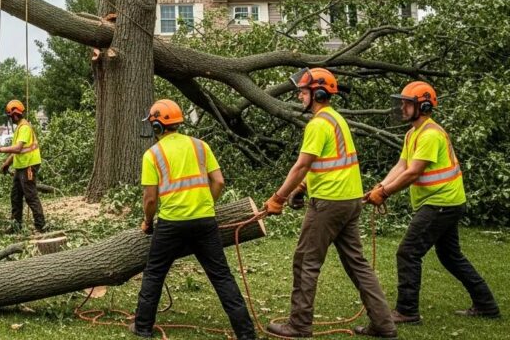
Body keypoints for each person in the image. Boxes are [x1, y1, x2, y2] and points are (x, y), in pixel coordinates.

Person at [262, 68, 396, 338]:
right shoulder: (336, 120)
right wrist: (301, 189)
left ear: (319, 93)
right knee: (357, 264)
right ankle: (383, 323)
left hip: (329, 203)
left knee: (305, 262)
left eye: (303, 91)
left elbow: (302, 165)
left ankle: (299, 325)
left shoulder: (318, 124)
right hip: (349, 201)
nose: (299, 95)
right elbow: (328, 164)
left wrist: (278, 198)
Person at [365, 81, 500, 324]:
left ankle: (407, 311)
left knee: (408, 252)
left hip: (441, 202)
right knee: (450, 256)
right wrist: (380, 186)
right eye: (403, 102)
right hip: (443, 201)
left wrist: (385, 194)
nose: (402, 107)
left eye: (408, 103)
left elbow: (413, 173)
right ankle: (486, 304)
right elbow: (401, 166)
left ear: (424, 106)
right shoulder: (412, 134)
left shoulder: (430, 135)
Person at [130, 99, 257, 339]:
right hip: (205, 222)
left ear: (156, 126)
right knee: (221, 276)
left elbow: (149, 200)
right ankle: (246, 333)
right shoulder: (201, 146)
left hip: (170, 224)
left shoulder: (152, 155)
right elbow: (218, 181)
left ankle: (143, 327)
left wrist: (148, 222)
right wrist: (206, 204)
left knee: (155, 273)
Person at [0, 99, 45, 232]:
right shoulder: (20, 128)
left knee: (31, 196)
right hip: (20, 167)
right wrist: (6, 164)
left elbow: (18, 148)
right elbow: (17, 152)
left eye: (10, 116)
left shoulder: (24, 127)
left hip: (29, 166)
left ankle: (41, 225)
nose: (10, 119)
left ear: (14, 114)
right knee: (15, 196)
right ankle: (16, 225)